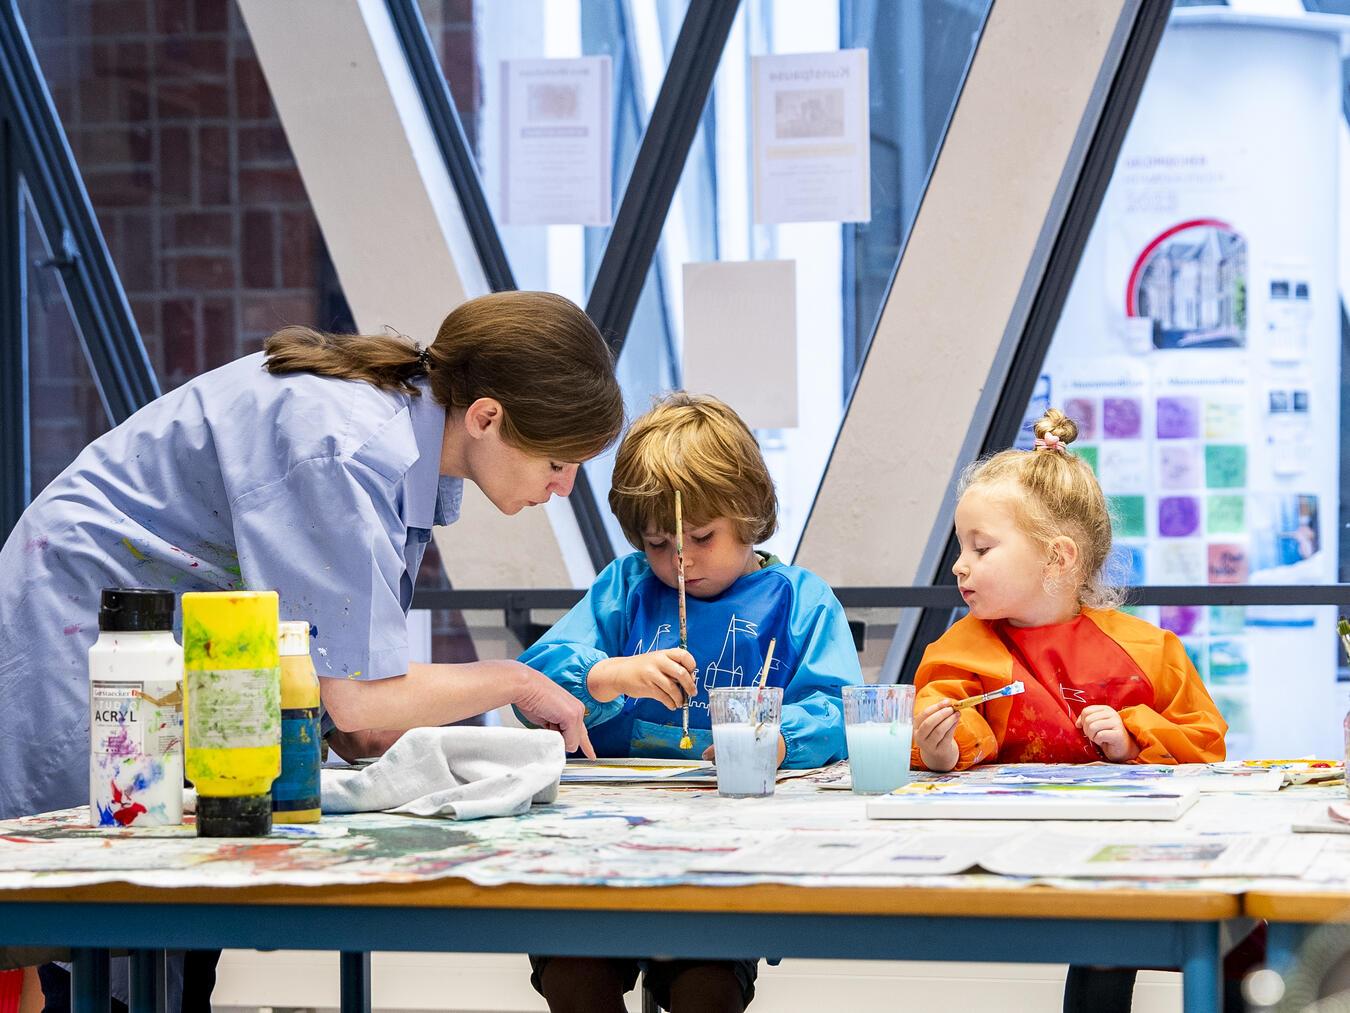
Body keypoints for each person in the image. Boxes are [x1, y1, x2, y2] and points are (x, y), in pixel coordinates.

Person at [0, 290, 623, 1010]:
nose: (564, 485)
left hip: (180, 646)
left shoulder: (404, 441)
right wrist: (514, 678)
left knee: (180, 922)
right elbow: (356, 704)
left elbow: (355, 716)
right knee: (111, 924)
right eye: (558, 459)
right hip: (85, 627)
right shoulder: (346, 448)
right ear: (486, 417)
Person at [520, 392, 861, 1013]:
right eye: (656, 544)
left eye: (702, 537)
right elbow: (531, 685)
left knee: (705, 987)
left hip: (727, 852)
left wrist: (780, 739)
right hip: (602, 850)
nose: (679, 562)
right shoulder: (623, 588)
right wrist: (607, 676)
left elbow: (839, 711)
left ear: (750, 515)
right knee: (573, 972)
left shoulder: (799, 600)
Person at [911, 407, 1227, 1013]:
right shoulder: (963, 647)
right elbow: (951, 719)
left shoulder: (1147, 650)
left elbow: (1205, 743)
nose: (959, 564)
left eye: (981, 547)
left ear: (1058, 558)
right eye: (961, 546)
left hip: (1126, 854)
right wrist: (944, 745)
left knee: (1119, 942)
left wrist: (1133, 738)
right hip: (1009, 858)